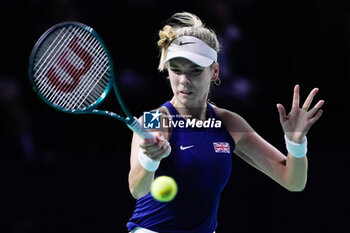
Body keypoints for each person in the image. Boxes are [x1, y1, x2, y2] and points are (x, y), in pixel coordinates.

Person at [126, 12, 324, 233]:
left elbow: (293, 182)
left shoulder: (228, 123)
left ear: (215, 71)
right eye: (176, 70)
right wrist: (149, 159)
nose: (184, 80)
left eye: (195, 71)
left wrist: (295, 143)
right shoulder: (154, 119)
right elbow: (137, 189)